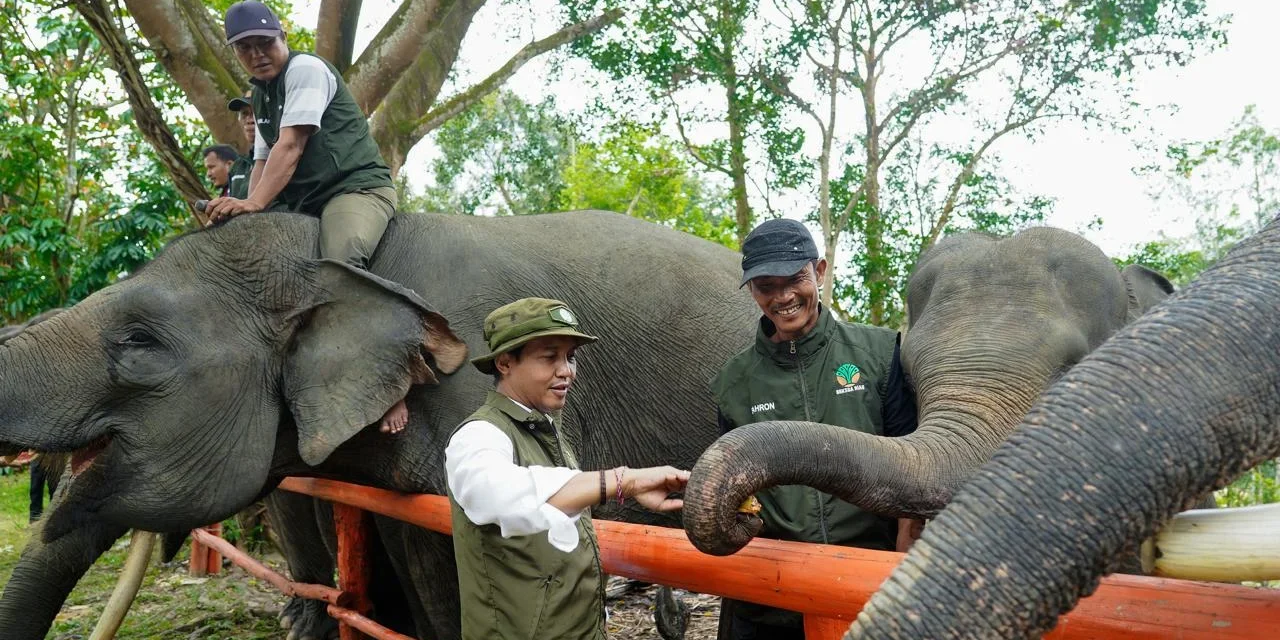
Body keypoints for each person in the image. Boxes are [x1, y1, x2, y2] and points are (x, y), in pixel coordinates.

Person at [713, 218, 923, 640]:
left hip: (868, 586)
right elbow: (735, 493)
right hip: (771, 595)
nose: (783, 297)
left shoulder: (880, 354)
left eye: (795, 279)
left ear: (820, 271)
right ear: (751, 291)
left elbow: (912, 470)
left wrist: (901, 577)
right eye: (766, 286)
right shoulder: (733, 382)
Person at [209, 1, 405, 432]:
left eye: (265, 43)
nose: (257, 54)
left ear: (283, 39)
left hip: (354, 189)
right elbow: (261, 162)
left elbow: (291, 146)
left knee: (341, 264)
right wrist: (245, 214)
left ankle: (388, 386)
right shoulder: (259, 95)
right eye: (245, 49)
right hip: (305, 204)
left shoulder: (306, 70)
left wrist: (255, 204)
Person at [446, 297, 690, 640]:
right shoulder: (478, 436)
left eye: (570, 357)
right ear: (504, 363)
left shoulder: (547, 429)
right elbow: (499, 497)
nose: (567, 371)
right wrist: (626, 482)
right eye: (549, 357)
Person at [225, 90, 255, 200]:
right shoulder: (238, 167)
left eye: (256, 112)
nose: (249, 120)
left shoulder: (286, 156)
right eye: (245, 114)